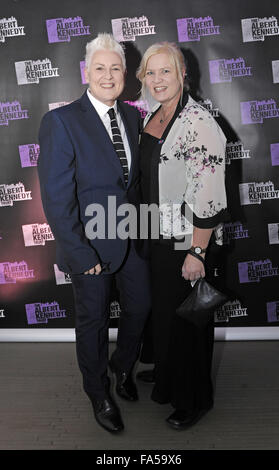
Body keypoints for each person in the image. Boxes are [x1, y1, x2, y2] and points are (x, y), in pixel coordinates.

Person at [37, 33, 151, 434]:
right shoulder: (61, 121)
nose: (108, 76)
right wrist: (81, 255)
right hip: (90, 247)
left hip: (132, 241)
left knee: (140, 309)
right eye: (100, 68)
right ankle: (98, 391)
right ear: (87, 72)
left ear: (125, 74)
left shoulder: (135, 116)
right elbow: (56, 198)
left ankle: (122, 369)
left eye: (115, 68)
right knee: (94, 323)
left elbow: (131, 184)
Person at [136, 42, 228, 429]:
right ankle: (169, 376)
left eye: (165, 71)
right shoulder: (155, 115)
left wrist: (197, 252)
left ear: (182, 74)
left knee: (190, 323)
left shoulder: (198, 122)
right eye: (150, 73)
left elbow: (208, 194)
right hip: (158, 236)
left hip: (189, 241)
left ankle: (193, 399)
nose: (158, 80)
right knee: (167, 316)